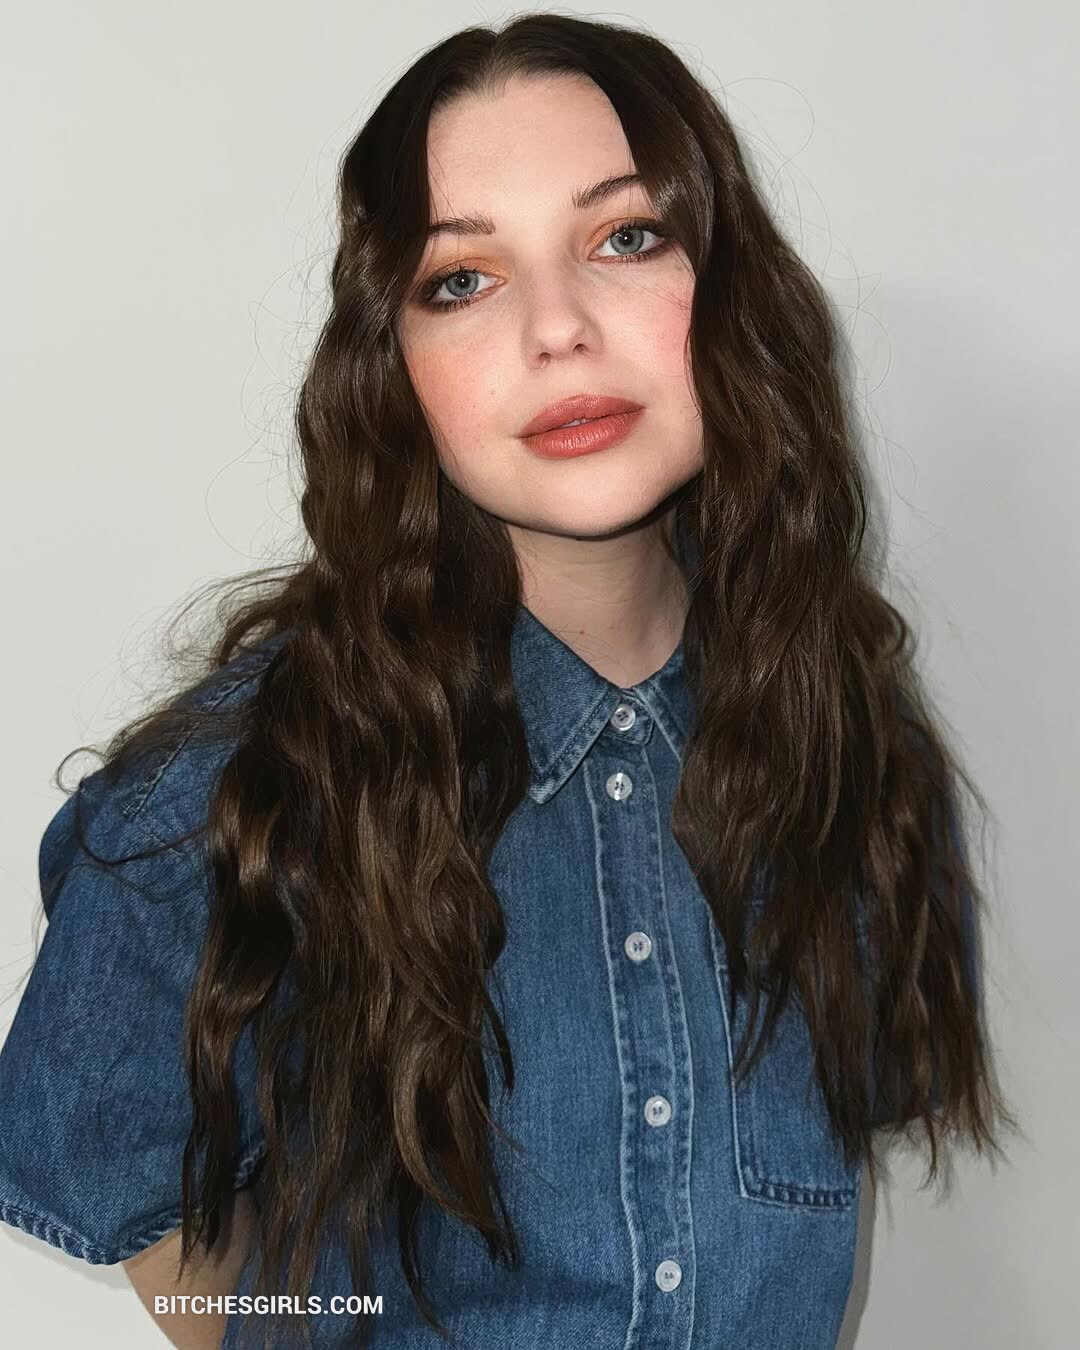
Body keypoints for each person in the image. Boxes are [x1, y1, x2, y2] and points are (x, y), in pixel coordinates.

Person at [0, 13, 1016, 1350]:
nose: (558, 329)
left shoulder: (851, 748)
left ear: (734, 291)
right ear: (391, 365)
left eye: (627, 237)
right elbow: (141, 1200)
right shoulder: (224, 797)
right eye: (462, 279)